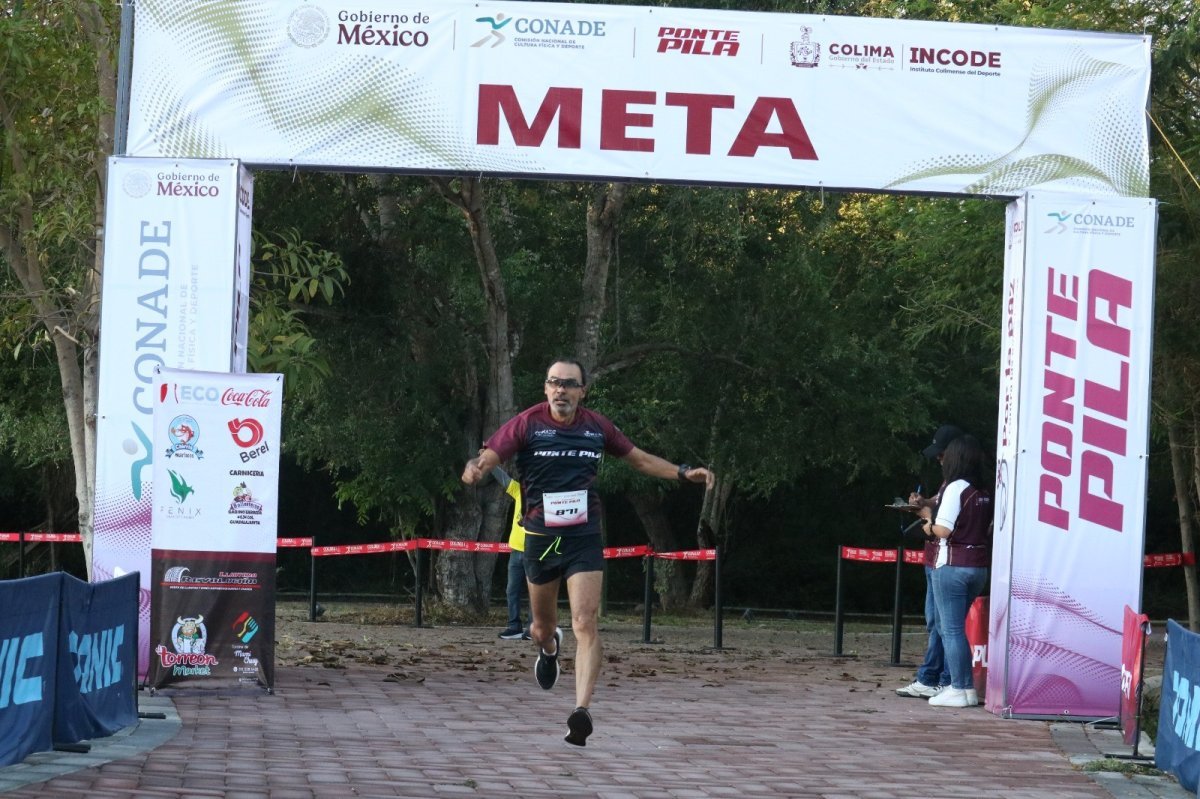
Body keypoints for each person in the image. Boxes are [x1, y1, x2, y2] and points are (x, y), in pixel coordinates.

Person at [461, 357, 714, 746]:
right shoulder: (528, 423)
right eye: (554, 383)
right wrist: (476, 468)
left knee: (585, 621)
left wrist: (682, 472)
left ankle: (581, 711)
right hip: (542, 538)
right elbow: (492, 453)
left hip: (583, 537)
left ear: (582, 391)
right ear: (546, 389)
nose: (560, 389)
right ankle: (548, 650)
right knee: (540, 628)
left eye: (569, 384)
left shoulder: (597, 428)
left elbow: (640, 459)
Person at [922, 434, 993, 708]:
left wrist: (928, 523)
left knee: (950, 630)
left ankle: (960, 687)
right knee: (955, 628)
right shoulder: (985, 490)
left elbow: (944, 529)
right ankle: (966, 691)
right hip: (978, 567)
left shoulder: (955, 488)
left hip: (951, 565)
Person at [895, 424, 962, 700]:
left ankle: (941, 678)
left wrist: (926, 517)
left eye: (942, 453)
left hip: (944, 557)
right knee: (937, 622)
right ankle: (933, 676)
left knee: (944, 624)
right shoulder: (951, 482)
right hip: (935, 556)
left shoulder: (960, 484)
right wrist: (924, 503)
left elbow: (944, 526)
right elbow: (938, 502)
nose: (938, 459)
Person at [492, 465, 531, 640]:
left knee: (536, 591)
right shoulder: (518, 491)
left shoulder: (544, 497)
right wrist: (489, 461)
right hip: (516, 550)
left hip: (535, 551)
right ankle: (514, 626)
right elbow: (503, 478)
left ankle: (533, 628)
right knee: (511, 590)